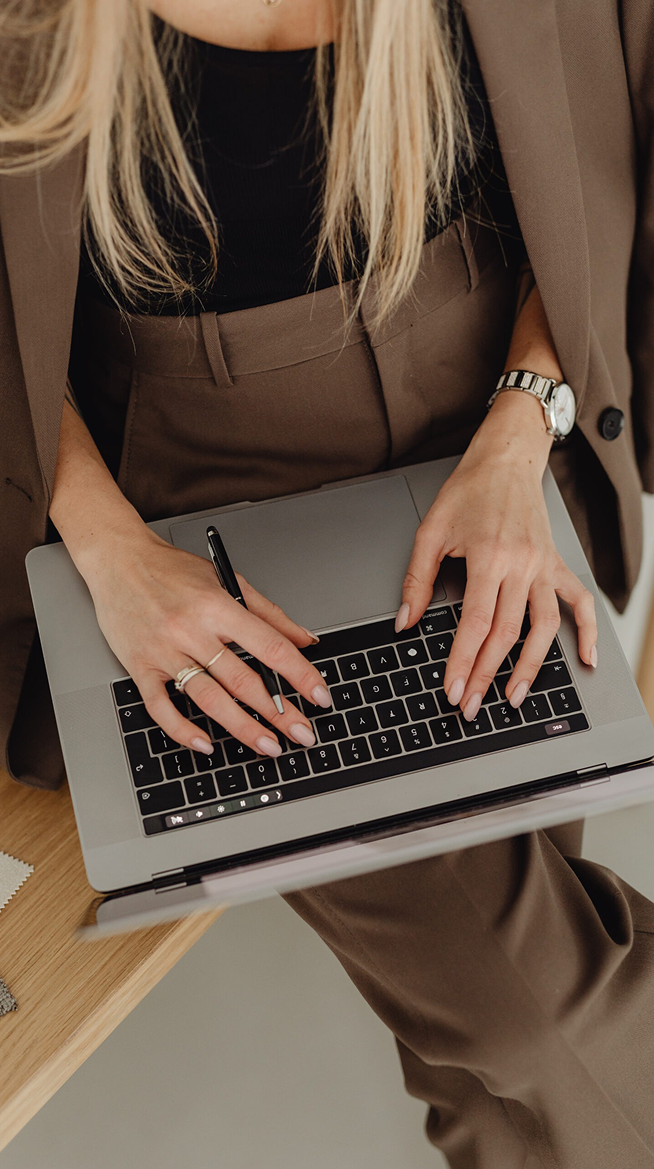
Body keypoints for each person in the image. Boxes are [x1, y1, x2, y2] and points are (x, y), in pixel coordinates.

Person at [1, 1, 654, 1164]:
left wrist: (525, 422)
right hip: (200, 503)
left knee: (496, 1065)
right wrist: (105, 546)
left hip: (488, 420)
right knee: (540, 1018)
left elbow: (609, 141)